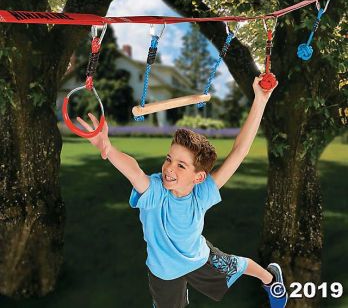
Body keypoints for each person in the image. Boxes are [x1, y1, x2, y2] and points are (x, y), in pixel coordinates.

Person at [77, 76, 287, 308]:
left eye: (181, 165)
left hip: (198, 258)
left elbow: (239, 152)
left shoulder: (202, 193)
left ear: (198, 177)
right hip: (164, 271)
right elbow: (134, 171)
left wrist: (261, 99)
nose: (168, 168)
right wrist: (108, 149)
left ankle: (271, 280)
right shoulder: (156, 191)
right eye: (169, 159)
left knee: (239, 265)